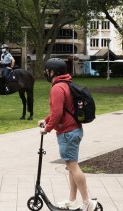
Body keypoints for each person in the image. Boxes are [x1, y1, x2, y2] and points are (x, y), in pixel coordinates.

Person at [39, 58, 97, 211]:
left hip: (68, 132)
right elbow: (62, 110)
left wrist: (47, 128)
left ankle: (87, 202)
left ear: (53, 72)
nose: (45, 73)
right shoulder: (66, 84)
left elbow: (57, 114)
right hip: (73, 130)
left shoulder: (57, 88)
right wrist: (46, 120)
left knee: (73, 166)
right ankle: (72, 200)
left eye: (47, 70)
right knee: (71, 167)